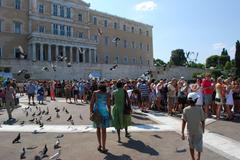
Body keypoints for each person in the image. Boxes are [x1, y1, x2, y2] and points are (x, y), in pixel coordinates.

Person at [182, 92, 205, 160]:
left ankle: (193, 158)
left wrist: (182, 132)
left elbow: (184, 121)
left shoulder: (185, 109)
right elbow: (203, 120)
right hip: (198, 130)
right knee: (199, 145)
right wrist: (203, 128)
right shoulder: (199, 109)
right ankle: (198, 158)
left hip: (190, 131)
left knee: (191, 146)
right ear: (196, 100)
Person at [90, 82, 111, 153]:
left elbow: (91, 103)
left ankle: (99, 145)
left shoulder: (95, 93)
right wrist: (110, 113)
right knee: (104, 130)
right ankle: (104, 147)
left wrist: (91, 112)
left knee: (98, 129)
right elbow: (108, 105)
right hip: (104, 112)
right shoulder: (107, 94)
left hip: (96, 112)